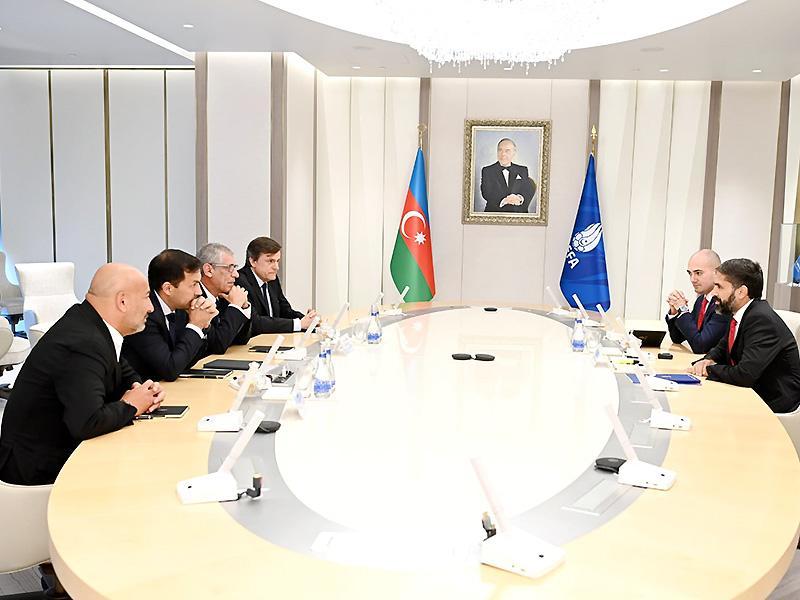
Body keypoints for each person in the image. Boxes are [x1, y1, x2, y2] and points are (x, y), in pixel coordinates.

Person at [0, 264, 164, 485]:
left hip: (55, 454)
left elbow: (121, 369)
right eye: (146, 297)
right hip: (38, 472)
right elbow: (87, 422)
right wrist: (132, 405)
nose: (151, 307)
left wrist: (141, 389)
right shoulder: (83, 341)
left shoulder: (89, 322)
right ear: (122, 301)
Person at [689, 259, 800, 413]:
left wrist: (709, 369)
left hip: (772, 404)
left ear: (741, 292)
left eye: (719, 286)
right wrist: (707, 360)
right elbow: (721, 349)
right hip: (751, 394)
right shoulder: (742, 314)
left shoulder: (761, 319)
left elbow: (745, 374)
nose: (715, 293)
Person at [122, 249, 218, 381]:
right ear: (168, 288)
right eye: (194, 284)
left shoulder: (181, 308)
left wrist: (203, 325)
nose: (199, 292)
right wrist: (196, 326)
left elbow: (186, 360)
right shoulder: (145, 314)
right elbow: (170, 369)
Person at [235, 236, 318, 335]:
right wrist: (299, 324)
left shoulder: (272, 280)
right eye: (270, 261)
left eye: (277, 261)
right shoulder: (239, 281)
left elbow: (285, 311)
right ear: (253, 261)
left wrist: (308, 320)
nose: (276, 267)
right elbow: (255, 322)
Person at [665, 249, 729, 354]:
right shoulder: (701, 300)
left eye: (698, 273)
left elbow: (701, 346)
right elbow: (678, 338)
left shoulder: (723, 303)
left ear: (716, 272)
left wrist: (683, 309)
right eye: (690, 274)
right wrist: (675, 312)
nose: (692, 279)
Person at [197, 243, 252, 352]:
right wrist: (235, 307)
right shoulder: (196, 299)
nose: (236, 275)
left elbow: (240, 339)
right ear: (208, 270)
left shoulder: (224, 297)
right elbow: (218, 345)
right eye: (229, 268)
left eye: (235, 268)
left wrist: (243, 307)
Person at [479, 138, 536, 213]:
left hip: (517, 212)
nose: (503, 154)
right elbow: (486, 193)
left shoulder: (523, 170)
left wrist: (519, 198)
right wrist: (505, 200)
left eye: (507, 150)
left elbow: (526, 189)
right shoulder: (487, 170)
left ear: (514, 152)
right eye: (500, 150)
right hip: (495, 212)